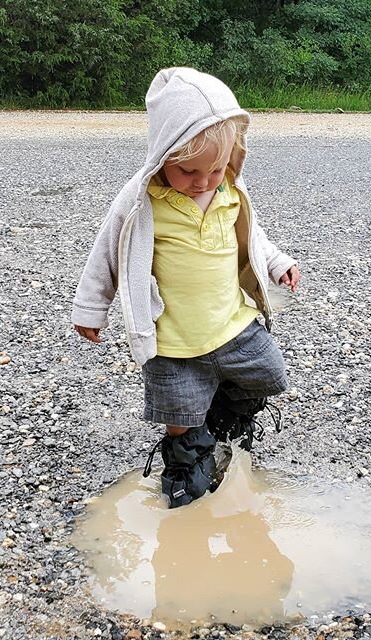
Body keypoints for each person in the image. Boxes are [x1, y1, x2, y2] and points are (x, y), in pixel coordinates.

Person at [72, 67, 299, 508]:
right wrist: (90, 307)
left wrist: (276, 263)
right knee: (175, 409)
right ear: (162, 155)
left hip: (233, 323)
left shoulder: (231, 188)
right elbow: (106, 251)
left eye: (215, 168)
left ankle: (221, 417)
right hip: (172, 338)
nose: (203, 181)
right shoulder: (141, 200)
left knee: (270, 374)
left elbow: (252, 236)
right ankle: (186, 454)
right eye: (189, 170)